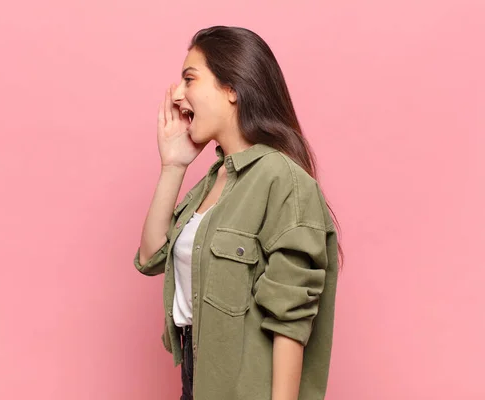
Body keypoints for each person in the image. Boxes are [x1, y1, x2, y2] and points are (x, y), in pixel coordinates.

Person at [133, 25, 343, 400]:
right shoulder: (215, 180)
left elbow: (289, 323)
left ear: (231, 89)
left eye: (190, 79)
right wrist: (173, 167)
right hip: (198, 383)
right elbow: (150, 257)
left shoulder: (282, 180)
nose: (177, 94)